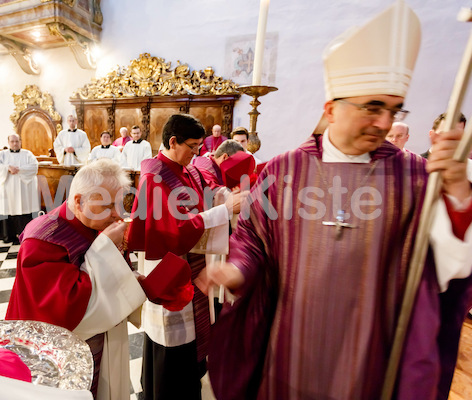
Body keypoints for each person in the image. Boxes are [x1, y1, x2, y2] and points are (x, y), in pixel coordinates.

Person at [201, 3, 472, 400]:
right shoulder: (283, 171)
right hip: (291, 349)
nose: (385, 122)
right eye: (372, 107)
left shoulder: (415, 177)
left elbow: (446, 268)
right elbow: (254, 240)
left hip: (371, 360)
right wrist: (238, 270)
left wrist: (460, 197)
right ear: (331, 110)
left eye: (394, 109)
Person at [6, 159, 191, 400]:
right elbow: (62, 311)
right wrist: (104, 247)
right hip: (60, 354)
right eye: (105, 205)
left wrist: (137, 281)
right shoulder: (43, 239)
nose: (116, 214)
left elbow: (109, 275)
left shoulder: (96, 223)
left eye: (119, 203)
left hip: (106, 338)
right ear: (77, 202)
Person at [127, 113, 247, 400]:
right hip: (171, 265)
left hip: (192, 263)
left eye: (199, 146)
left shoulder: (188, 169)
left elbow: (202, 197)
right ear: (172, 141)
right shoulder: (155, 177)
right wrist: (224, 209)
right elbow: (175, 229)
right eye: (192, 146)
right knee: (173, 337)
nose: (197, 153)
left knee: (193, 337)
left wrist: (224, 197)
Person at [0, 134, 39, 244]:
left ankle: (25, 236)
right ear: (8, 142)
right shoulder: (1, 155)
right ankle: (9, 236)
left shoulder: (28, 154)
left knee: (24, 212)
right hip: (7, 188)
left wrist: (19, 170)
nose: (15, 143)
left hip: (23, 189)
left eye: (17, 141)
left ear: (20, 141)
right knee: (9, 211)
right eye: (12, 141)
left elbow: (34, 167)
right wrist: (7, 168)